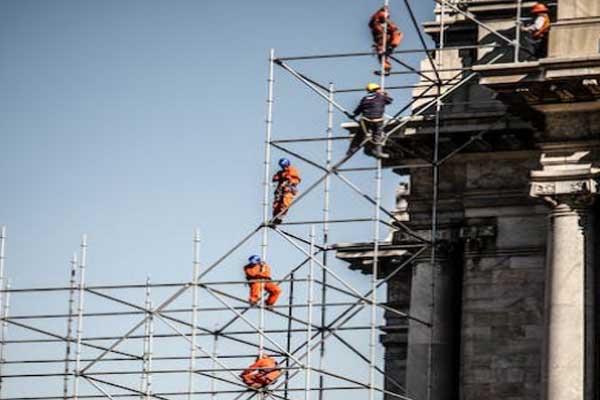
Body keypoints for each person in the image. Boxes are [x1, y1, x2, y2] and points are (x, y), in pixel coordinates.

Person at [346, 83, 392, 159]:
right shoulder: (381, 97)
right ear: (377, 89)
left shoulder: (365, 98)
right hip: (377, 120)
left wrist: (353, 116)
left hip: (365, 120)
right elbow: (389, 101)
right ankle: (377, 151)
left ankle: (351, 150)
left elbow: (359, 109)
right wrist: (386, 94)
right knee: (377, 135)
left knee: (359, 135)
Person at [369, 6, 403, 74]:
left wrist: (392, 45)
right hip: (381, 40)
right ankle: (386, 69)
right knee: (382, 54)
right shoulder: (377, 21)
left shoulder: (384, 23)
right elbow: (375, 20)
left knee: (397, 34)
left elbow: (395, 31)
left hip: (387, 39)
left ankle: (386, 68)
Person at [272, 158, 301, 225]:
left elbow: (295, 179)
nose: (284, 167)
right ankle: (275, 218)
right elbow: (275, 178)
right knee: (276, 205)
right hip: (280, 191)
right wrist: (278, 177)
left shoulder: (292, 170)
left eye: (285, 166)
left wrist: (287, 178)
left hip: (288, 190)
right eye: (282, 166)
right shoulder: (281, 172)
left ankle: (280, 217)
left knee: (285, 203)